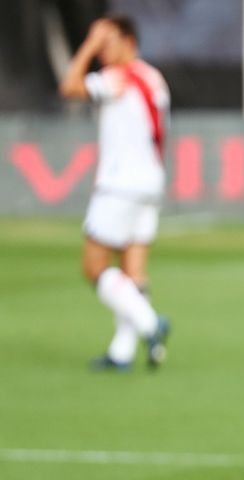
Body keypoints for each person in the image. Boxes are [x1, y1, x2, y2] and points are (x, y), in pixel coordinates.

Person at [59, 15, 170, 371]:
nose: (103, 49)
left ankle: (150, 323)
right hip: (151, 182)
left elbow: (70, 87)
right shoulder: (154, 77)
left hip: (120, 185)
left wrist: (87, 47)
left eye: (108, 41)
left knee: (94, 267)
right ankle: (123, 352)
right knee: (132, 269)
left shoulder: (117, 78)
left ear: (128, 41)